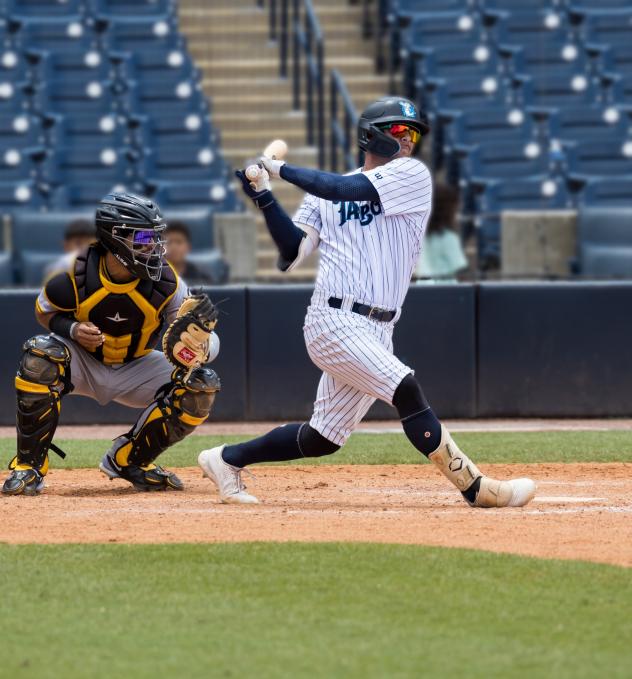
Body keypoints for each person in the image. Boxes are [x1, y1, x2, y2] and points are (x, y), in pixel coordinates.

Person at [198, 96, 536, 508]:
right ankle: (476, 488)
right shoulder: (321, 194)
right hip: (333, 320)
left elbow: (345, 188)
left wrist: (278, 169)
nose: (409, 140)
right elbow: (292, 252)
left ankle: (225, 459)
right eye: (400, 131)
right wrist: (264, 195)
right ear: (372, 134)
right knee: (406, 388)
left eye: (412, 134)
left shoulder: (411, 175)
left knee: (324, 437)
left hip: (379, 327)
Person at [2, 193, 221, 496]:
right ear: (115, 238)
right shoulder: (72, 272)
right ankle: (29, 466)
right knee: (40, 354)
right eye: (143, 238)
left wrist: (203, 344)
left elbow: (200, 349)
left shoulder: (168, 281)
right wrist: (73, 328)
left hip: (138, 364)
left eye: (156, 238)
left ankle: (129, 462)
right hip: (83, 361)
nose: (154, 247)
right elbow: (44, 311)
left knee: (201, 385)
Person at [414, 183, 468, 281]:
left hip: (421, 291)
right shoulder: (448, 238)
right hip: (447, 292)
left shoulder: (415, 236)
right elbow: (460, 271)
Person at [164, 221, 214, 285]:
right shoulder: (155, 277)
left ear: (189, 247)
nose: (174, 247)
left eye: (178, 242)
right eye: (169, 242)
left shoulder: (202, 279)